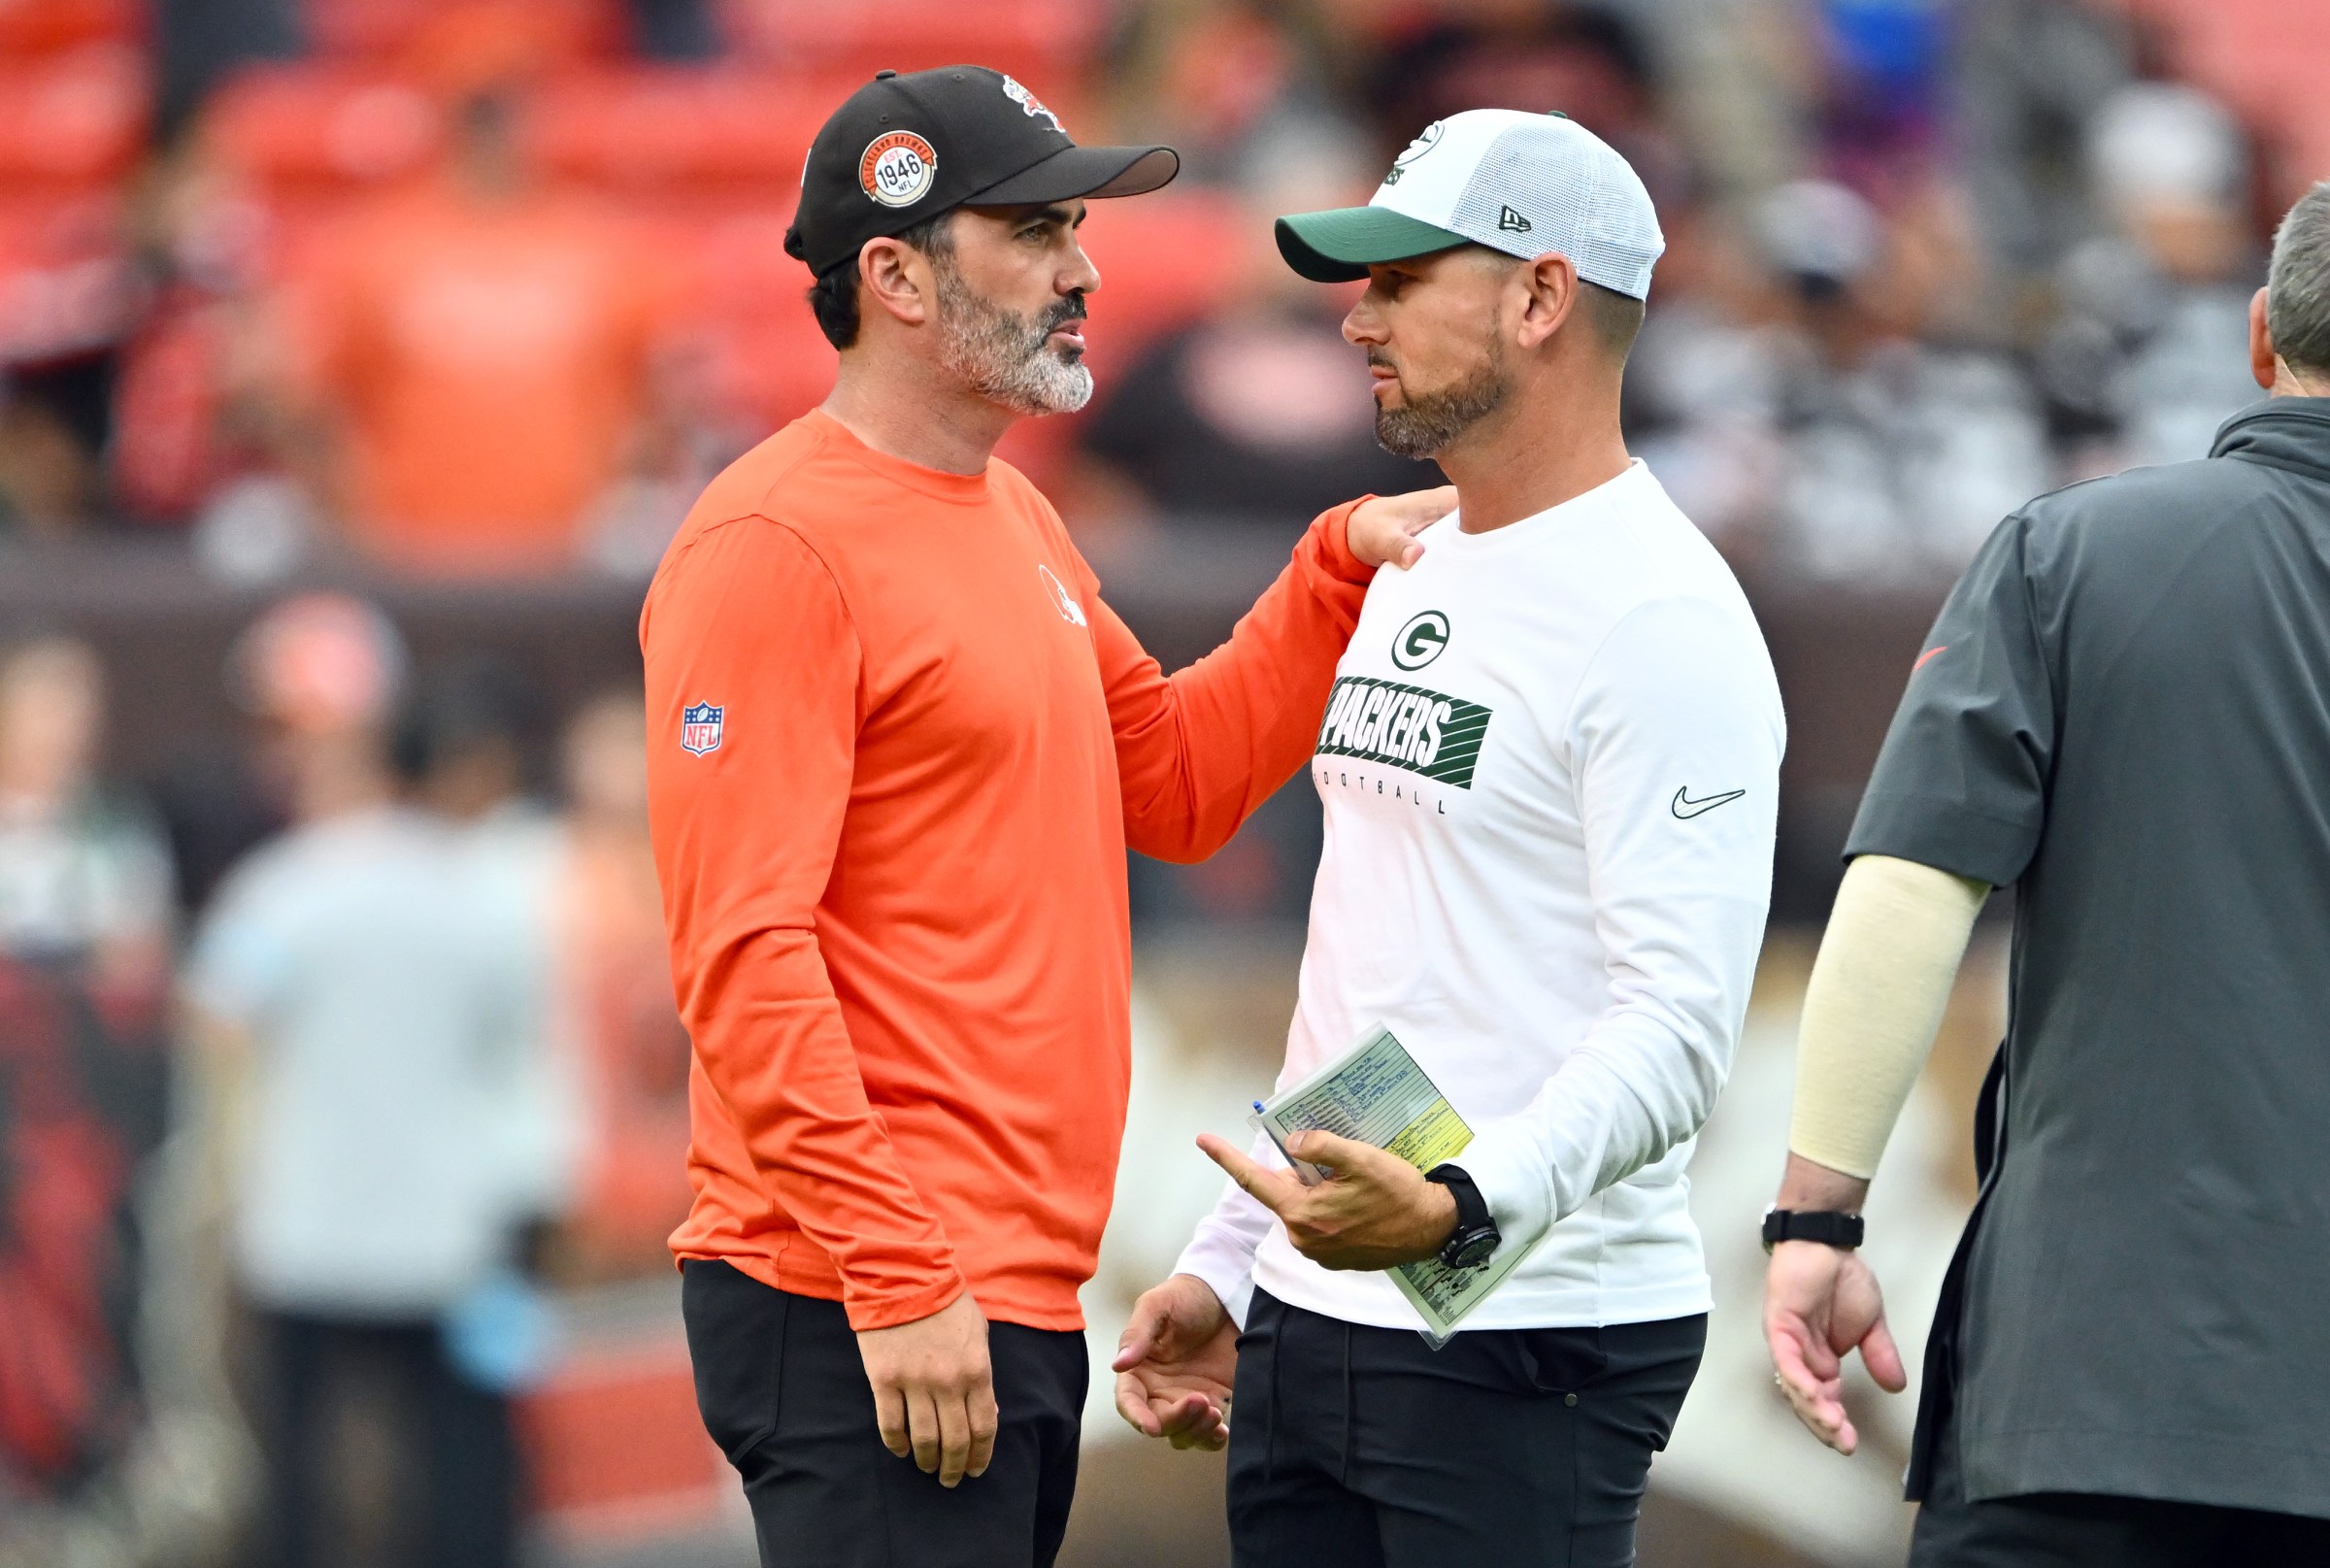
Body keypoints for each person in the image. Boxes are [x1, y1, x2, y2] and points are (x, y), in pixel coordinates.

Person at [639, 65, 1444, 1568]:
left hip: (989, 1284)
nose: (1083, 268)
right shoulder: (774, 541)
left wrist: (1337, 564)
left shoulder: (1011, 513)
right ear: (892, 272)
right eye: (1031, 229)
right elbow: (743, 955)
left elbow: (1182, 784)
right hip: (865, 1288)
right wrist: (895, 1272)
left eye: (1075, 225)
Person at [1111, 109, 1785, 1567]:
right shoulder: (1417, 557)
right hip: (1318, 1308)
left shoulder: (1662, 616)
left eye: (1406, 276)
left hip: (1530, 1334)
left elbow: (1678, 1025)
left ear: (1541, 297)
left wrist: (1458, 1207)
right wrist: (1238, 1259)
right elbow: (1376, 970)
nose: (1358, 316)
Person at [1761, 180, 2330, 1565]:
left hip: (2093, 1399)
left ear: (2261, 338)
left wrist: (1813, 1215)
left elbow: (1908, 887)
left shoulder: (2070, 551)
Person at [185, 613, 572, 1568]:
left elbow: (218, 1026)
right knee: (466, 1465)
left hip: (306, 1227)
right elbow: (519, 1048)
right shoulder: (482, 896)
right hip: (449, 1230)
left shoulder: (282, 887)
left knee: (300, 1472)